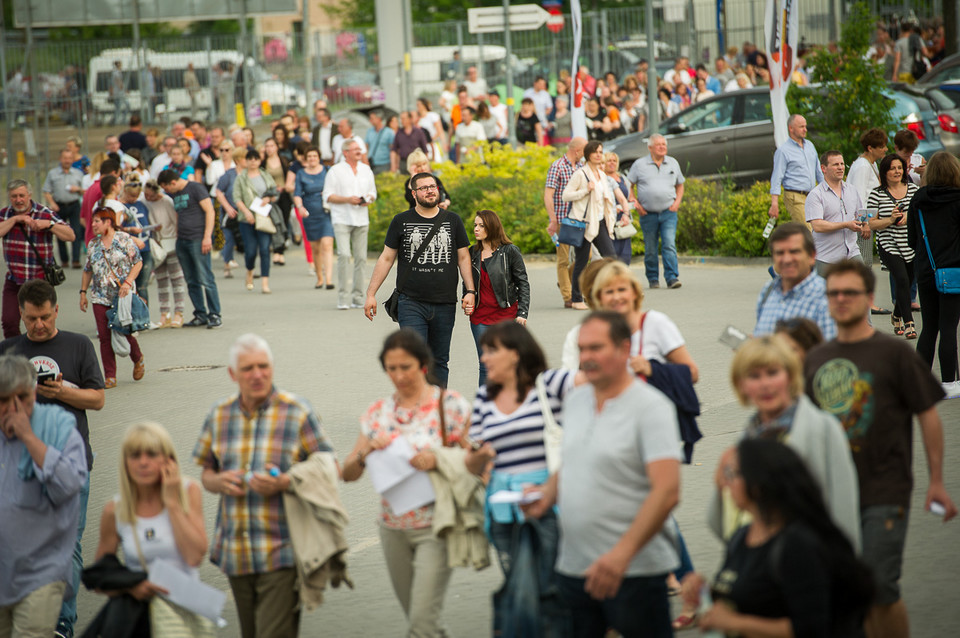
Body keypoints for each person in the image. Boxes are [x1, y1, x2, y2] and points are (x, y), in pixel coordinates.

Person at [806, 259, 959, 638]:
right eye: (833, 293)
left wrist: (937, 480)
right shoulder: (815, 360)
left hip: (885, 490)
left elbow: (928, 416)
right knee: (846, 589)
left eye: (850, 293)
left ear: (869, 297)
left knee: (879, 588)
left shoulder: (895, 355)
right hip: (831, 496)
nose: (841, 299)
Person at [524, 311, 682, 637]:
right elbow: (572, 460)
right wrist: (545, 495)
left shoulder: (652, 408)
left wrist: (620, 556)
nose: (586, 358)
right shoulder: (576, 401)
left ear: (625, 349)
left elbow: (667, 492)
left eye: (596, 348)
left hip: (634, 570)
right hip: (574, 566)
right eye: (582, 349)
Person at [194, 334, 333, 638]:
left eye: (263, 366)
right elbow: (206, 472)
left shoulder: (297, 412)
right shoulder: (219, 414)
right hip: (236, 551)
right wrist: (219, 481)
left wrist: (285, 481)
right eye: (247, 369)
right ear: (233, 374)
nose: (257, 375)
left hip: (281, 549)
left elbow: (328, 467)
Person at [342, 329, 471, 637]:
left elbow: (479, 461)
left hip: (436, 526)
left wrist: (437, 458)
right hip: (392, 529)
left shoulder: (450, 405)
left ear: (423, 365)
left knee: (422, 623)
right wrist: (367, 450)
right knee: (420, 618)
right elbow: (347, 473)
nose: (399, 376)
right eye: (391, 368)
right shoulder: (377, 413)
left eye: (406, 367)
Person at [685, 439, 873, 637]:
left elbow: (812, 629)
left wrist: (736, 623)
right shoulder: (741, 537)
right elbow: (743, 595)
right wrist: (704, 593)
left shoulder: (797, 545)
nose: (724, 482)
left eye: (731, 474)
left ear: (757, 484)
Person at [0, 279, 104, 638]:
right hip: (15, 469)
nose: (39, 325)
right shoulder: (8, 350)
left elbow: (98, 399)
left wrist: (62, 391)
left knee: (69, 546)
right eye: (31, 319)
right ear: (22, 315)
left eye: (44, 317)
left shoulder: (77, 345)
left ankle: (63, 623)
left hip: (70, 460)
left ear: (56, 310)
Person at [467, 322, 577, 634]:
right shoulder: (483, 398)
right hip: (503, 505)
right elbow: (472, 463)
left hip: (550, 499)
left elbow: (595, 385)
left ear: (515, 354)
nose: (484, 358)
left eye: (492, 351)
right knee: (518, 581)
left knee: (550, 585)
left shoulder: (550, 384)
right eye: (484, 351)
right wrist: (480, 457)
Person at [709, 335, 861, 551]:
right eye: (754, 376)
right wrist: (722, 484)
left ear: (790, 376)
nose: (765, 384)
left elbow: (843, 512)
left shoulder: (822, 428)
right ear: (741, 385)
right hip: (758, 567)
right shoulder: (748, 436)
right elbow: (725, 522)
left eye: (773, 373)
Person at [0, 354, 87, 638]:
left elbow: (68, 486)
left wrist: (29, 438)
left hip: (40, 573)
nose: (15, 409)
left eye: (23, 398)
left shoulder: (58, 427)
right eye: (4, 400)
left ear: (34, 393)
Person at [364, 172, 475, 387]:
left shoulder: (453, 220)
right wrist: (371, 294)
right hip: (410, 302)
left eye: (433, 186)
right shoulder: (401, 221)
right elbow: (386, 258)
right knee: (413, 358)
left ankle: (437, 410)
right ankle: (414, 406)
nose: (430, 190)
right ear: (414, 194)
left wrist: (470, 291)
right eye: (424, 188)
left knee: (440, 361)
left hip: (445, 303)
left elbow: (463, 257)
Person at [91, 422, 209, 623]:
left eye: (152, 454)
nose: (143, 463)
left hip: (185, 614)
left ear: (168, 459)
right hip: (141, 618)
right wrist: (131, 587)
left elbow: (194, 557)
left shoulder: (189, 491)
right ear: (125, 462)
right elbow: (99, 577)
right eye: (135, 456)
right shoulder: (115, 510)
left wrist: (172, 503)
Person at [906, 151, 960, 396]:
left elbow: (911, 240)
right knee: (949, 327)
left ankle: (919, 381)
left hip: (926, 270)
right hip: (953, 271)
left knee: (929, 327)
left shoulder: (918, 199)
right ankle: (950, 382)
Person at [1, 179, 75, 339]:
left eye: (22, 195)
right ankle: (14, 358)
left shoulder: (44, 212)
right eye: (14, 196)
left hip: (40, 281)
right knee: (9, 322)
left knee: (41, 323)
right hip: (15, 280)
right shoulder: (5, 214)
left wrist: (49, 225)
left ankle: (40, 354)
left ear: (29, 195)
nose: (18, 200)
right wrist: (15, 220)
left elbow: (70, 235)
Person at [80, 206, 144, 389]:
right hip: (100, 296)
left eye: (97, 221)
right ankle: (110, 376)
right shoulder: (93, 245)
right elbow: (87, 271)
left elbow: (138, 262)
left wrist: (128, 282)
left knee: (125, 329)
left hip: (122, 295)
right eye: (92, 221)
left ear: (108, 222)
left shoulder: (124, 240)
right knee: (104, 336)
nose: (93, 225)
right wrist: (83, 293)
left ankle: (137, 358)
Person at [468, 210, 530, 386]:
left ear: (492, 227)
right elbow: (468, 282)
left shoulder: (510, 251)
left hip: (506, 315)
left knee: (509, 363)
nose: (476, 229)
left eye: (481, 225)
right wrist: (467, 295)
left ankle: (512, 402)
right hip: (480, 317)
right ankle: (484, 405)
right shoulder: (472, 252)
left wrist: (522, 313)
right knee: (485, 364)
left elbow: (523, 283)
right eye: (475, 225)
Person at [157, 169, 222, 328]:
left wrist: (207, 236)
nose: (167, 192)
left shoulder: (196, 188)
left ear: (173, 182)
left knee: (205, 277)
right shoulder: (176, 194)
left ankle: (214, 314)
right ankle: (200, 313)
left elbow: (210, 211)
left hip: (198, 239)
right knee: (191, 280)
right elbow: (179, 215)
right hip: (183, 241)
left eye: (166, 188)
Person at [754, 222, 838, 340]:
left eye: (794, 252)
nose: (787, 259)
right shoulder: (768, 290)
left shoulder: (826, 299)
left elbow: (830, 353)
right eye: (780, 253)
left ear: (812, 256)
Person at [563, 140, 619, 310]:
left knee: (611, 259)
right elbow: (566, 196)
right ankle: (577, 299)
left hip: (600, 222)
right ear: (588, 154)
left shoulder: (602, 175)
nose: (598, 154)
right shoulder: (581, 174)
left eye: (600, 152)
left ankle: (610, 293)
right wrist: (585, 190)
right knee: (581, 262)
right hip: (585, 223)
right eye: (595, 151)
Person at [868, 154, 919, 338]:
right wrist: (890, 220)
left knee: (908, 281)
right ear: (885, 171)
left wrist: (908, 219)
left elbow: (920, 216)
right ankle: (909, 324)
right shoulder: (876, 194)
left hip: (911, 244)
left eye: (900, 167)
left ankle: (896, 314)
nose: (897, 171)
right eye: (892, 168)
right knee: (902, 280)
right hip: (889, 245)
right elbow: (871, 223)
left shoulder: (913, 189)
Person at [627, 134, 686, 289]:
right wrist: (635, 203)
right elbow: (629, 185)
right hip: (648, 213)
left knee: (669, 245)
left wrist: (677, 202)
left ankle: (672, 278)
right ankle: (653, 278)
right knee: (651, 248)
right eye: (658, 144)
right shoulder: (639, 164)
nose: (662, 147)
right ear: (650, 147)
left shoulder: (673, 163)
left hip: (669, 212)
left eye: (664, 144)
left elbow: (680, 185)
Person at [323, 139, 377, 310]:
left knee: (361, 258)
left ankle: (358, 297)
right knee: (344, 255)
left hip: (361, 218)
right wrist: (347, 199)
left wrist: (367, 200)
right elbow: (328, 196)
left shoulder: (366, 169)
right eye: (355, 149)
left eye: (360, 149)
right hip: (342, 218)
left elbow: (373, 192)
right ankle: (343, 297)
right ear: (345, 152)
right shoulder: (335, 171)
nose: (359, 151)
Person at [805, 150, 868, 276]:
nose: (840, 168)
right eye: (835, 165)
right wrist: (845, 224)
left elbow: (860, 213)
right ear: (823, 168)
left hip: (852, 252)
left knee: (863, 286)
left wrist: (865, 224)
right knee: (826, 294)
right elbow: (817, 226)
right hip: (827, 257)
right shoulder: (816, 195)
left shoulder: (852, 190)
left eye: (842, 164)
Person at [545, 138, 586, 308]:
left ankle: (564, 282)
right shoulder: (557, 166)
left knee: (585, 255)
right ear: (577, 150)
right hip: (562, 219)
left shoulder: (582, 166)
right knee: (563, 259)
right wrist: (553, 219)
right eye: (584, 150)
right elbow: (548, 195)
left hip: (579, 219)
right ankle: (567, 296)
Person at [233, 149, 278, 294]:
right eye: (250, 159)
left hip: (263, 216)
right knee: (251, 250)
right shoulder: (241, 178)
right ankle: (250, 271)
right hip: (247, 219)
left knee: (265, 249)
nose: (253, 161)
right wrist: (246, 212)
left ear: (259, 160)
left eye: (255, 158)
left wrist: (268, 199)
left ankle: (265, 282)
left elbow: (274, 193)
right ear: (246, 161)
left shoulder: (265, 175)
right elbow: (237, 197)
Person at [142, 180, 186, 328]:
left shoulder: (167, 201)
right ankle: (164, 313)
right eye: (146, 195)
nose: (148, 198)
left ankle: (179, 312)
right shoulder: (144, 202)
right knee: (161, 280)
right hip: (156, 243)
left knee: (176, 278)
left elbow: (175, 221)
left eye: (151, 196)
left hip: (170, 241)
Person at [847, 128, 889, 276]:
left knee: (866, 261)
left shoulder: (871, 164)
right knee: (864, 262)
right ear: (870, 148)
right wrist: (864, 223)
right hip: (862, 223)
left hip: (868, 220)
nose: (885, 149)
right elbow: (858, 197)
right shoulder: (862, 166)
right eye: (882, 146)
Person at [768, 114, 823, 224]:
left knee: (817, 231)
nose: (805, 130)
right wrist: (774, 203)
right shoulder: (783, 151)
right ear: (791, 128)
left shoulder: (810, 146)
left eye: (805, 126)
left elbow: (819, 172)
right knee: (808, 231)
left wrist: (828, 191)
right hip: (795, 197)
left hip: (812, 196)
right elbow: (777, 177)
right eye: (801, 127)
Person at [293, 146, 334, 290]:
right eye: (309, 156)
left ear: (319, 157)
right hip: (309, 213)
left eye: (314, 156)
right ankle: (319, 277)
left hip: (326, 212)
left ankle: (329, 279)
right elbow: (297, 193)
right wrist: (300, 207)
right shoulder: (301, 174)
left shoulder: (327, 171)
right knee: (316, 248)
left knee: (327, 245)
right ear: (305, 158)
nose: (312, 159)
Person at [42, 149, 85, 269]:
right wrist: (52, 203)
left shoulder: (78, 173)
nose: (67, 161)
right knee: (60, 231)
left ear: (73, 159)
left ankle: (76, 259)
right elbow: (46, 190)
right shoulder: (53, 173)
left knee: (76, 231)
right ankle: (64, 260)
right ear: (60, 159)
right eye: (65, 158)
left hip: (74, 204)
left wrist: (77, 189)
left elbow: (84, 190)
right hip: (59, 206)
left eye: (69, 158)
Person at [603, 151, 636, 265]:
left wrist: (632, 202)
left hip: (623, 218)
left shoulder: (622, 178)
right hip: (609, 218)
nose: (612, 163)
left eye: (614, 161)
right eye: (609, 160)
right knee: (612, 252)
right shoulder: (602, 179)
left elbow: (629, 195)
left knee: (625, 253)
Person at [365, 110, 395, 175]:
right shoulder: (369, 131)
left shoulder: (389, 132)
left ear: (378, 119)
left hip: (385, 164)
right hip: (372, 164)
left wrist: (393, 166)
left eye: (372, 118)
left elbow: (393, 150)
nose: (370, 121)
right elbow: (366, 147)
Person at [109, 61, 129, 125]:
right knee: (120, 107)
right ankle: (117, 121)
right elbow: (118, 81)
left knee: (122, 107)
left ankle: (120, 120)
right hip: (118, 93)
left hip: (120, 93)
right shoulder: (116, 73)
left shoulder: (118, 73)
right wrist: (122, 87)